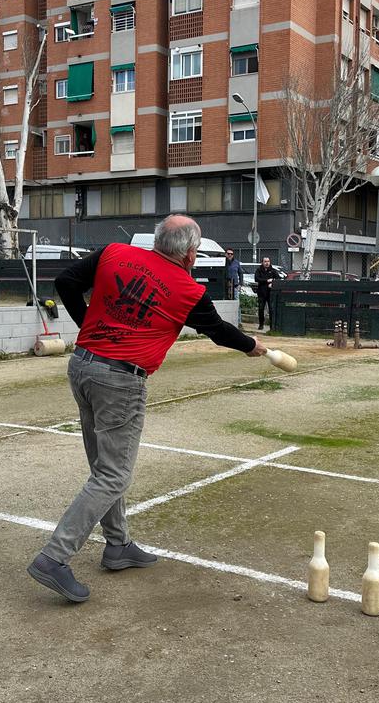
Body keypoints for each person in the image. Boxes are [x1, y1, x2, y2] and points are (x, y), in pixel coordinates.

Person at [28, 215, 268, 602]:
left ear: (158, 240)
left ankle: (118, 546)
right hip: (120, 381)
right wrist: (252, 345)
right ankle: (55, 558)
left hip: (84, 366)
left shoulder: (113, 253)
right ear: (190, 254)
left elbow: (65, 283)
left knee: (104, 467)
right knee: (113, 475)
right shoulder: (188, 291)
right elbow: (219, 331)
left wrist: (87, 324)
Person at [253, 256, 283, 332]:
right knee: (261, 309)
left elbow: (278, 279)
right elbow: (257, 279)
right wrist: (266, 281)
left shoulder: (273, 270)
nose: (267, 263)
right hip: (261, 293)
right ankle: (261, 324)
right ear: (262, 262)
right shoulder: (259, 270)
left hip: (270, 293)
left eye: (268, 261)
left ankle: (272, 326)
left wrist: (272, 283)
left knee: (271, 309)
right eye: (265, 261)